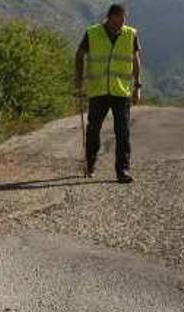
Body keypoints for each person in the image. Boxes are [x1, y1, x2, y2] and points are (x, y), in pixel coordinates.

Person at [75, 3, 142, 183]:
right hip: (98, 90)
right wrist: (79, 81)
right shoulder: (92, 33)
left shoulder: (130, 34)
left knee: (123, 132)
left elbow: (135, 60)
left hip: (120, 91)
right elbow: (79, 54)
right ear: (110, 17)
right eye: (119, 19)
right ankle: (90, 163)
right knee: (93, 129)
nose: (122, 23)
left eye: (124, 19)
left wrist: (137, 86)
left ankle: (123, 171)